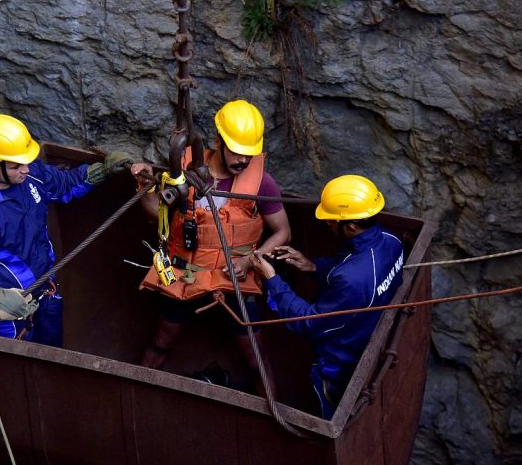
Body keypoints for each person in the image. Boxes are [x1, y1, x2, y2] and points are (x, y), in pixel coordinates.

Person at [130, 99, 291, 391]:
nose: (244, 161)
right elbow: (156, 214)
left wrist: (251, 260)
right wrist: (145, 187)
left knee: (255, 354)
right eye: (238, 153)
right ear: (218, 142)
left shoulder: (261, 184)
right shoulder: (184, 169)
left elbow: (282, 232)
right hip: (185, 273)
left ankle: (272, 409)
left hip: (234, 278)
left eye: (249, 154)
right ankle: (138, 391)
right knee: (162, 340)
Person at [0, 113, 133, 347]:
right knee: (18, 372)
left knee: (52, 355)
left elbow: (64, 185)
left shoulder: (30, 175)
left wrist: (100, 172)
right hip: (8, 315)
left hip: (47, 292)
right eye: (16, 166)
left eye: (25, 161)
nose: (26, 169)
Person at [249, 175, 405, 419]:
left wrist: (272, 280)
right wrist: (314, 267)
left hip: (340, 363)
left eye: (332, 223)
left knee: (327, 410)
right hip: (365, 334)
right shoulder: (391, 242)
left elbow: (309, 322)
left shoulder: (353, 279)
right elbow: (354, 270)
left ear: (350, 227)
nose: (328, 226)